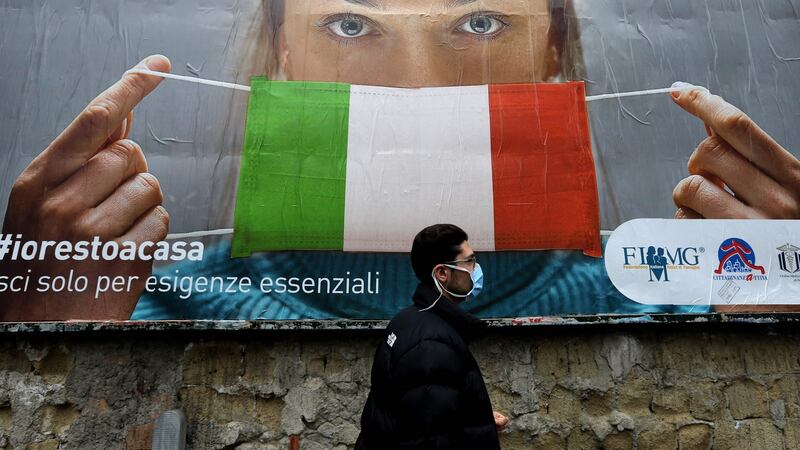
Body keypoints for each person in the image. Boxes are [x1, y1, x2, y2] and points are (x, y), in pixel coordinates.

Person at [1, 0, 798, 320]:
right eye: (350, 26)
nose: (417, 88)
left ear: (555, 54)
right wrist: (43, 345)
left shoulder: (692, 311)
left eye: (480, 23)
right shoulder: (137, 310)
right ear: (278, 58)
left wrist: (779, 344)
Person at [355, 224, 507, 450]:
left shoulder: (411, 320)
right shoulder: (430, 345)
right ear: (442, 273)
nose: (476, 269)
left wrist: (477, 418)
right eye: (469, 261)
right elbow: (429, 439)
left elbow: (426, 414)